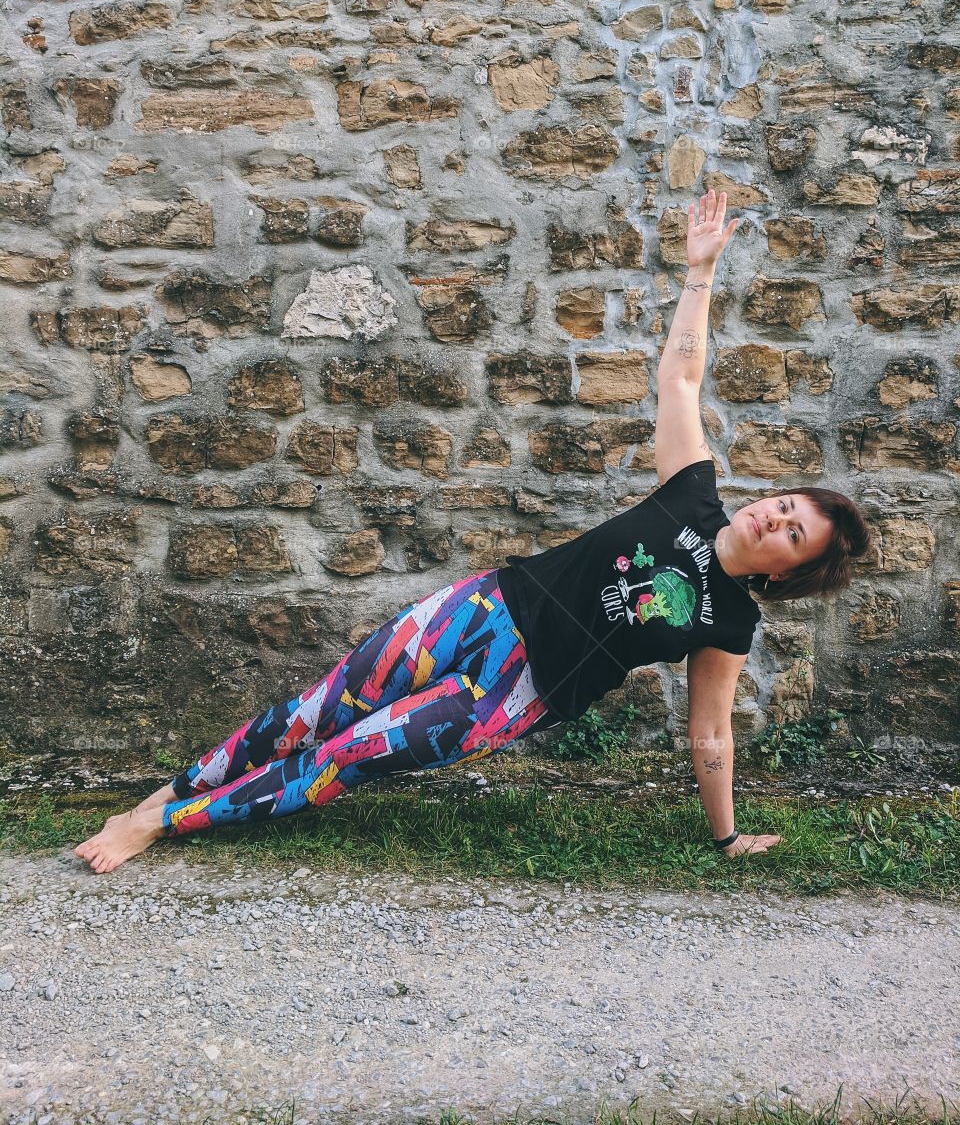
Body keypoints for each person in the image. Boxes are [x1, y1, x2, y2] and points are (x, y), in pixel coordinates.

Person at [74, 189, 871, 874]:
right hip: (483, 608)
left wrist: (726, 836)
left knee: (343, 759)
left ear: (786, 571)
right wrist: (699, 273)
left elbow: (710, 733)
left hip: (517, 693)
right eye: (786, 503)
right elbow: (681, 376)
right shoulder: (692, 489)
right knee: (317, 710)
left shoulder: (730, 622)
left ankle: (160, 824)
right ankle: (174, 789)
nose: (773, 514)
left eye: (792, 532)